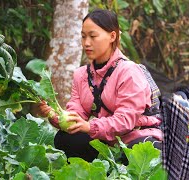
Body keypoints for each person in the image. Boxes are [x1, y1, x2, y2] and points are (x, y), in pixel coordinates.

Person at [36, 9, 163, 162]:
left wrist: (90, 127)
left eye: (93, 36)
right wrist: (53, 115)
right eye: (83, 37)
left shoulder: (129, 72)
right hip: (106, 141)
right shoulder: (81, 75)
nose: (86, 43)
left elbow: (125, 120)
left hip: (137, 137)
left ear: (112, 36)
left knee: (136, 155)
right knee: (66, 138)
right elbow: (76, 115)